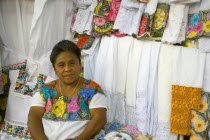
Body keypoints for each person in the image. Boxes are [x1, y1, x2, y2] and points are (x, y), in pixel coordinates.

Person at [27, 40, 107, 140]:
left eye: (72, 63)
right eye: (61, 65)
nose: (67, 69)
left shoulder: (92, 89)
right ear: (55, 69)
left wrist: (78, 139)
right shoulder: (45, 90)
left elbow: (99, 119)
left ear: (80, 64)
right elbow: (33, 118)